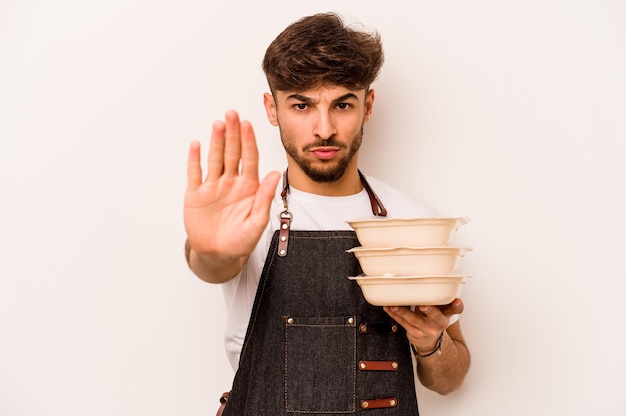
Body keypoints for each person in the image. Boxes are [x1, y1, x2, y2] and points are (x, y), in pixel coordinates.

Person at [184, 12, 471, 415]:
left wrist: (431, 343)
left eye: (342, 104)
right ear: (272, 109)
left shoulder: (413, 220)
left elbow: (451, 378)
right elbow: (212, 263)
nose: (324, 128)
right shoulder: (246, 214)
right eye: (302, 105)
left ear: (367, 105)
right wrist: (210, 251)